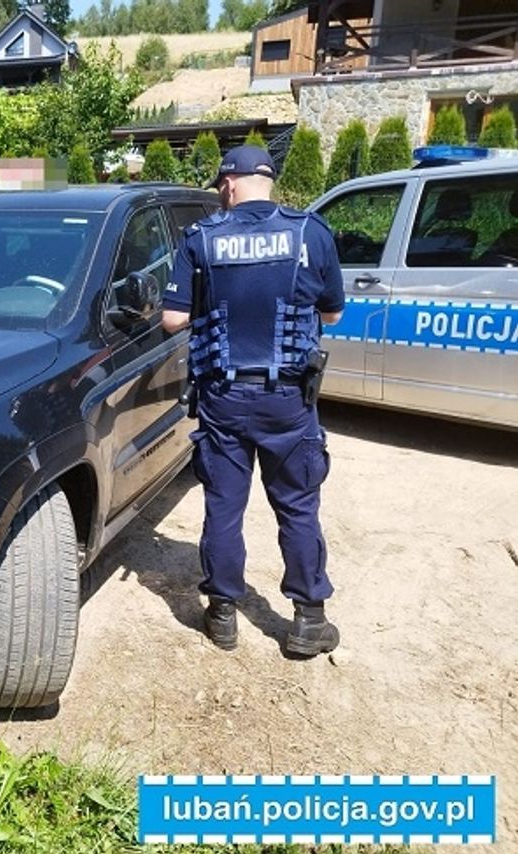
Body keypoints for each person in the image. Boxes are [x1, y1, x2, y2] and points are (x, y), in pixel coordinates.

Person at [161, 144, 345, 657]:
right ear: (268, 182)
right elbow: (331, 316)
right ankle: (308, 620)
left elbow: (172, 320)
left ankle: (222, 615)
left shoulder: (201, 239)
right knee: (298, 507)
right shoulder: (312, 232)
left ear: (228, 184)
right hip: (288, 398)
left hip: (222, 395)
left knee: (224, 507)